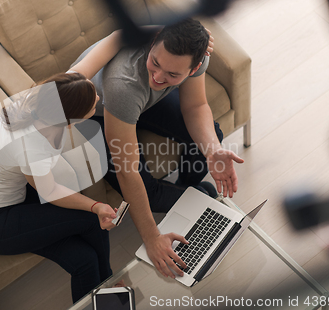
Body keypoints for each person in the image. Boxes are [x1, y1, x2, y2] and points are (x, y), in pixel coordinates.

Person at [0, 30, 124, 303]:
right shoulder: (31, 143)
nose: (97, 100)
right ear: (70, 119)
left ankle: (105, 286)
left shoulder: (45, 99)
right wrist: (96, 207)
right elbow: (49, 190)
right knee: (92, 220)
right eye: (92, 105)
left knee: (83, 260)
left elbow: (87, 67)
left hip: (11, 197)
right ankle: (109, 284)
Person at [72, 18, 244, 280]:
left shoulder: (197, 55)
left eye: (174, 74)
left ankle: (189, 190)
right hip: (95, 114)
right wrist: (152, 237)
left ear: (194, 66)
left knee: (212, 140)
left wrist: (212, 152)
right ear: (152, 43)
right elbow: (128, 171)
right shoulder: (124, 83)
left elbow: (195, 107)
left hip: (141, 102)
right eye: (155, 62)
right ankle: (196, 196)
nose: (159, 76)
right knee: (146, 191)